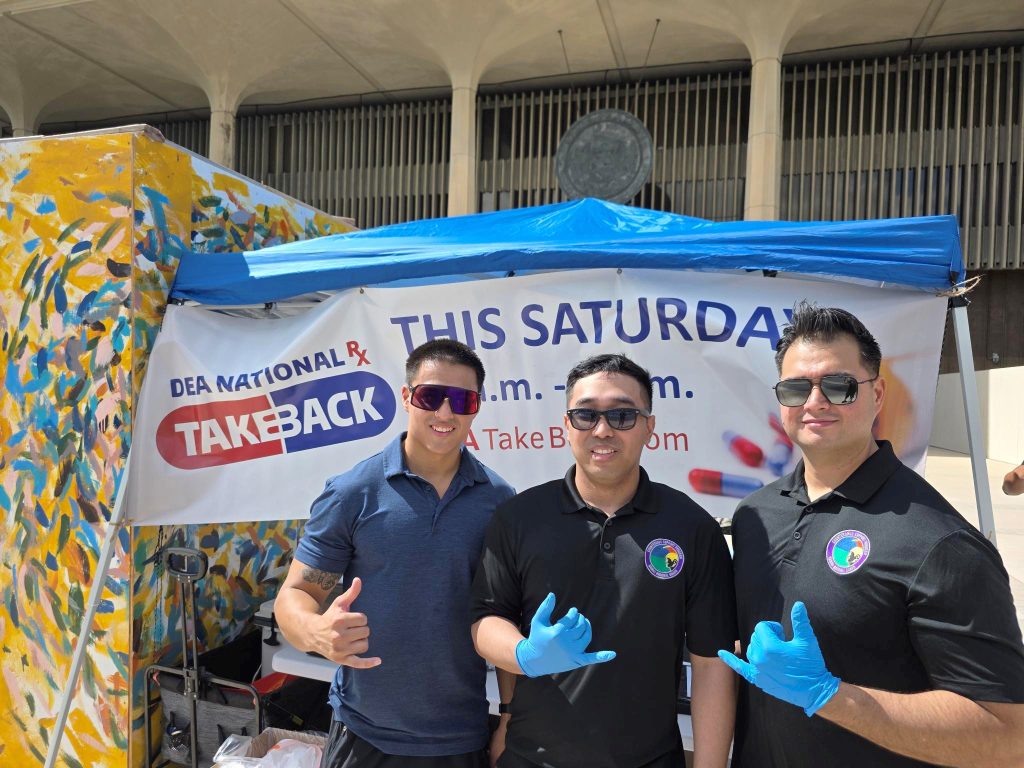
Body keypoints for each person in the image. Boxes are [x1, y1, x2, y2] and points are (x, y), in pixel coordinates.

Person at [719, 303, 1024, 767]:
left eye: (839, 386)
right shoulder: (755, 516)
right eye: (797, 387)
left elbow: (1008, 738)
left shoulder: (939, 543)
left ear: (877, 394)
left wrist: (829, 696)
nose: (815, 402)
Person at [470, 354, 737, 768]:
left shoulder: (692, 527)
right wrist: (524, 653)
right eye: (586, 415)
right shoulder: (519, 517)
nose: (602, 430)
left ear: (650, 426)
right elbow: (485, 619)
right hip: (531, 758)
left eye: (622, 416)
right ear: (565, 426)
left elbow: (711, 665)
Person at [275, 339, 516, 768]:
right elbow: (296, 594)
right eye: (431, 396)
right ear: (407, 397)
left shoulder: (499, 501)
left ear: (476, 407)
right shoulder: (353, 492)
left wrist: (510, 719)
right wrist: (315, 632)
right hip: (364, 733)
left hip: (460, 736)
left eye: (461, 400)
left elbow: (506, 617)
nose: (445, 413)